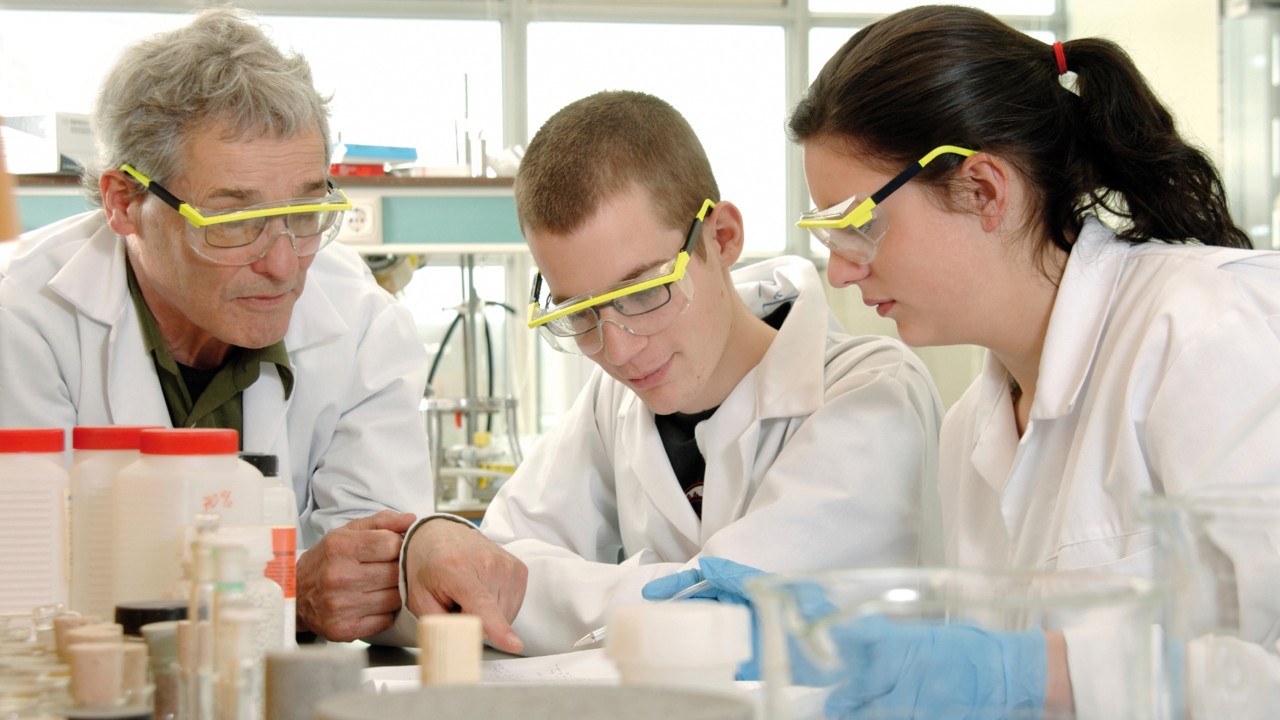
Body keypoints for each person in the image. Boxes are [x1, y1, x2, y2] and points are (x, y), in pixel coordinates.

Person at [647, 4, 1280, 717]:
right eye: (829, 234)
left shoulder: (1206, 332)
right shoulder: (971, 431)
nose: (843, 273)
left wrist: (1034, 673)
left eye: (858, 225)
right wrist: (849, 628)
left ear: (983, 189)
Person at [0, 7, 525, 651]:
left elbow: (373, 578)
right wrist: (283, 591)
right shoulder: (23, 322)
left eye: (305, 212)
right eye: (231, 219)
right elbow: (28, 591)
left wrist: (422, 549)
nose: (282, 264)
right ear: (122, 202)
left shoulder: (360, 325)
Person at [470, 89, 943, 658]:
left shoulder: (872, 392)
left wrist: (543, 592)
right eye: (580, 312)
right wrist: (655, 595)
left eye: (642, 291)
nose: (618, 349)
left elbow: (726, 625)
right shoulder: (612, 399)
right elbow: (485, 568)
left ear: (722, 238)